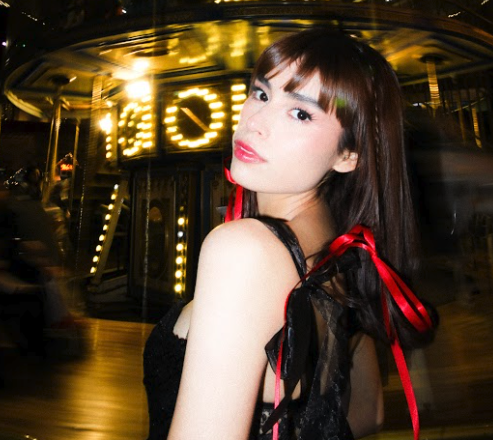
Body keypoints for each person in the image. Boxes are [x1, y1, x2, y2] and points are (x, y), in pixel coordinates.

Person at [143, 29, 437, 440]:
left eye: (300, 113)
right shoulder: (345, 249)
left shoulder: (244, 250)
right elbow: (368, 412)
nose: (254, 122)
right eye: (261, 94)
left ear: (349, 154)